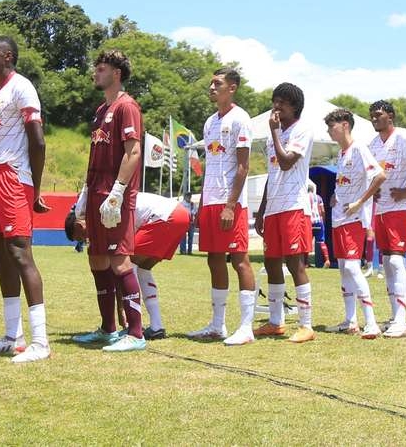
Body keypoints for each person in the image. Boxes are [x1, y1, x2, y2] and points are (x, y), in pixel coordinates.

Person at [0, 36, 51, 363]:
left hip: (12, 175)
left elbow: (38, 141)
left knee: (20, 253)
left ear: (7, 56)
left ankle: (41, 342)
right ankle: (12, 336)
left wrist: (33, 185)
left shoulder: (22, 87)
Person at [72, 49, 147, 352]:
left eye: (101, 69)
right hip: (96, 195)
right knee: (97, 259)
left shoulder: (127, 107)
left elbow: (133, 152)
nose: (95, 73)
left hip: (114, 198)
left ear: (116, 73)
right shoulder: (101, 110)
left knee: (119, 260)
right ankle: (108, 328)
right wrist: (85, 194)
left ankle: (137, 333)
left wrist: (117, 192)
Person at [186, 67, 256, 346]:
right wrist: (202, 205)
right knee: (214, 258)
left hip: (231, 203)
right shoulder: (209, 122)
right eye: (211, 83)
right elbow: (210, 166)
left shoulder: (241, 119)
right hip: (211, 201)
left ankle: (247, 327)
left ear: (232, 88)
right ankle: (217, 325)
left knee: (239, 259)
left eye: (218, 83)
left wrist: (230, 205)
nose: (212, 88)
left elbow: (243, 167)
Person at [66, 192, 190, 339]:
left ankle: (134, 326)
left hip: (164, 216)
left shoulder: (101, 215)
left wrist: (121, 308)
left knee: (126, 265)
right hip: (180, 213)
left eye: (81, 237)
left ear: (80, 225)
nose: (85, 239)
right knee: (143, 269)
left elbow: (122, 268)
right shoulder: (99, 207)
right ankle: (157, 326)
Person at [254, 82, 316, 343]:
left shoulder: (302, 130)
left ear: (295, 107)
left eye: (283, 102)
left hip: (293, 206)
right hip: (275, 208)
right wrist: (262, 210)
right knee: (271, 262)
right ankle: (276, 322)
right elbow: (273, 173)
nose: (276, 106)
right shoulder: (274, 136)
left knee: (295, 263)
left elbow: (287, 163)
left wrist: (275, 133)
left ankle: (306, 325)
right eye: (275, 100)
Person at [366, 99, 406, 338]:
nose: (374, 118)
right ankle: (395, 316)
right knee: (386, 264)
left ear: (390, 116)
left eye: (378, 114)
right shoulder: (372, 144)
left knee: (395, 261)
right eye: (372, 115)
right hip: (380, 210)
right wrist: (373, 190)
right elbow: (370, 173)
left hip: (400, 208)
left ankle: (401, 321)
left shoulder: (402, 136)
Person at [323, 108, 386, 339]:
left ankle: (371, 322)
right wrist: (336, 195)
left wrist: (359, 201)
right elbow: (347, 181)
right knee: (343, 269)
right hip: (339, 217)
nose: (329, 130)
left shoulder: (359, 148)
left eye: (332, 125)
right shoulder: (341, 154)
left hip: (353, 219)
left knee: (351, 267)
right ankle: (350, 321)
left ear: (345, 125)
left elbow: (380, 176)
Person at [307, 184, 330, 268]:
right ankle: (327, 260)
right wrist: (323, 220)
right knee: (321, 241)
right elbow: (323, 210)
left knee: (308, 242)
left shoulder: (305, 197)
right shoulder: (319, 197)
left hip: (309, 222)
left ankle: (306, 262)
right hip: (318, 222)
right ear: (313, 190)